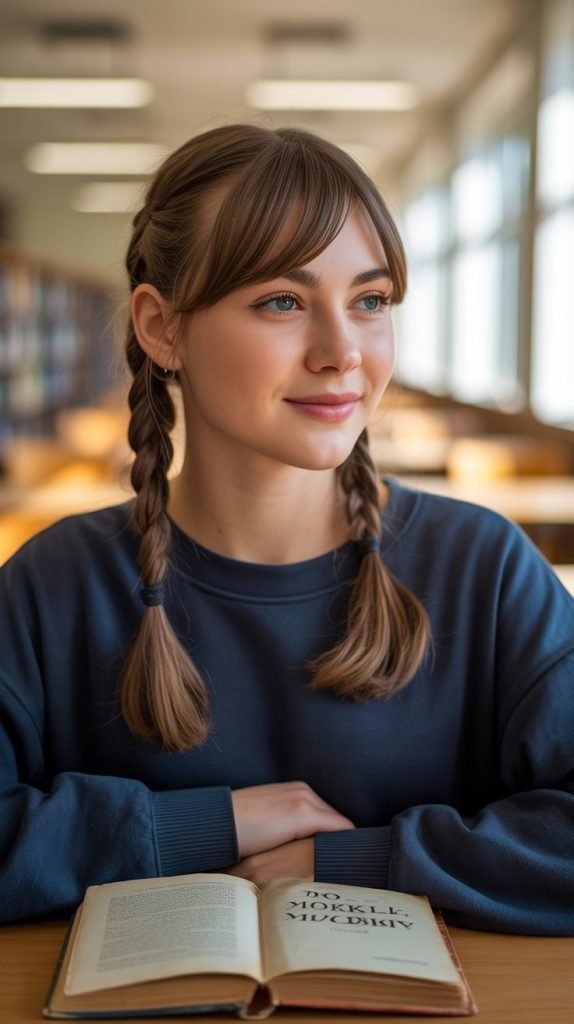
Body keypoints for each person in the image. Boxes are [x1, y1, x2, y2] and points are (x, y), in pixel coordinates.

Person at [0, 124, 573, 934]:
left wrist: (358, 863)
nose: (343, 352)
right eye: (282, 302)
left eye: (370, 301)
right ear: (162, 329)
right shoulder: (52, 584)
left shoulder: (485, 569)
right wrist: (203, 829)